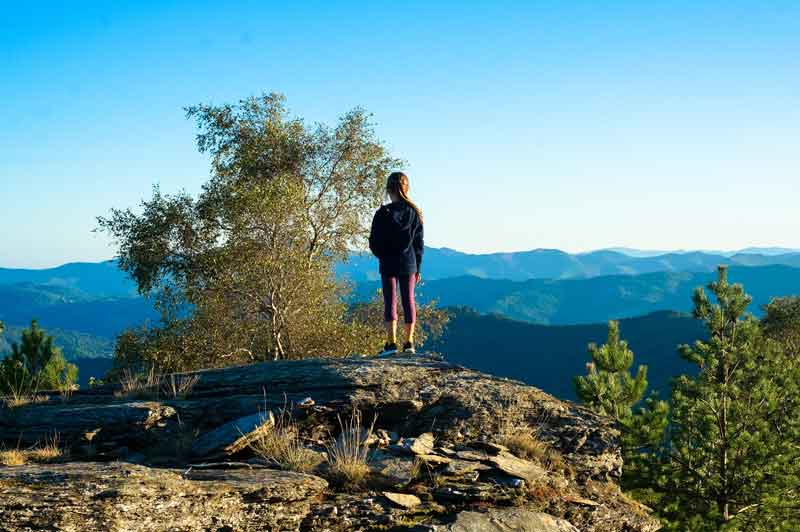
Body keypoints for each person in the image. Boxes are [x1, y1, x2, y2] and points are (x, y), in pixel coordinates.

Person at [368, 171, 424, 355]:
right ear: (406, 188)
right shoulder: (414, 214)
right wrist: (418, 268)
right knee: (409, 300)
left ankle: (390, 344)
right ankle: (409, 343)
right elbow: (418, 244)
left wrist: (382, 255)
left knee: (390, 301)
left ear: (388, 189)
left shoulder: (382, 213)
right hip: (409, 264)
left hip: (388, 263)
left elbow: (373, 242)